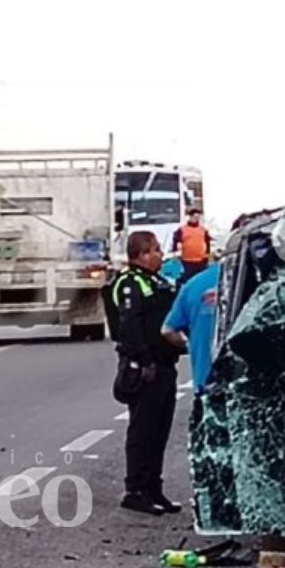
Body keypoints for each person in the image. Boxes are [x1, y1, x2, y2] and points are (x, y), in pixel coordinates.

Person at [106, 231, 184, 516]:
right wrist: (145, 360)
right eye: (155, 250)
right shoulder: (129, 284)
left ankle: (154, 487)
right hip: (144, 369)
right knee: (143, 430)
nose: (160, 255)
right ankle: (135, 489)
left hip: (165, 366)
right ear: (140, 254)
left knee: (160, 430)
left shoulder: (158, 282)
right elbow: (130, 328)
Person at [161, 262, 221, 397]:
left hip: (205, 380)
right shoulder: (260, 281)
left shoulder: (193, 285)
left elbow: (167, 330)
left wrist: (192, 345)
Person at [171, 208, 212, 286]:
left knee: (200, 281)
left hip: (201, 261)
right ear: (190, 217)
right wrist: (175, 253)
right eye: (195, 217)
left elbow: (208, 243)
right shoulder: (182, 229)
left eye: (198, 217)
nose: (196, 219)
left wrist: (207, 255)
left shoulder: (203, 230)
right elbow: (175, 241)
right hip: (187, 261)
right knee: (188, 282)